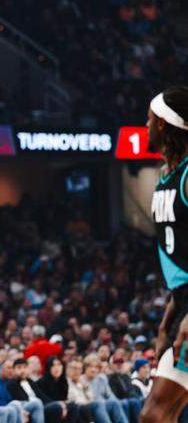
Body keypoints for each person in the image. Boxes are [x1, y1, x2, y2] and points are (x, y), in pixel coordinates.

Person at [140, 86, 188, 422]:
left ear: (163, 124)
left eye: (149, 119)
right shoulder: (166, 176)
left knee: (155, 415)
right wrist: (166, 322)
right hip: (182, 302)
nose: (145, 126)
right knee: (160, 414)